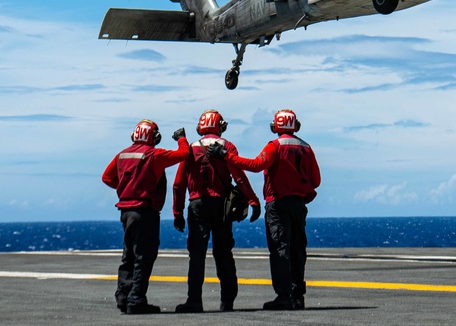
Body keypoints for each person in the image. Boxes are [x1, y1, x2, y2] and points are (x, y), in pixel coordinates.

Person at [208, 108, 321, 311]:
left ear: (275, 126)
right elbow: (316, 181)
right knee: (297, 250)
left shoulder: (275, 146)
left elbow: (256, 165)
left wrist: (226, 156)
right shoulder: (306, 147)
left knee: (280, 249)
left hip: (277, 204)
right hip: (299, 205)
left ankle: (283, 296)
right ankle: (298, 296)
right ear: (296, 125)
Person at [172, 109, 261, 313]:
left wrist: (177, 213)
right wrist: (253, 201)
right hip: (221, 206)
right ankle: (227, 302)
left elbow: (178, 184)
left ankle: (194, 301)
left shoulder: (191, 149)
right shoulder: (227, 147)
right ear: (220, 126)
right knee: (224, 254)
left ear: (200, 127)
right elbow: (239, 177)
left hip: (197, 205)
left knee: (196, 255)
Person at [102, 119, 189, 315]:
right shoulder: (154, 155)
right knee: (144, 256)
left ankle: (123, 298)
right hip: (144, 212)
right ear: (154, 136)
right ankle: (136, 300)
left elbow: (107, 177)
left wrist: (127, 189)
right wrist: (181, 138)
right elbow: (184, 154)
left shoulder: (122, 155)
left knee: (129, 256)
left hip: (126, 211)